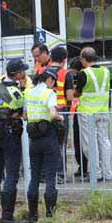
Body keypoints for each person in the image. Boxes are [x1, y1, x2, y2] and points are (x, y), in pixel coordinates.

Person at [0, 59, 27, 223]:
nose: (25, 73)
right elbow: (19, 112)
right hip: (9, 134)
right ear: (16, 74)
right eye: (22, 71)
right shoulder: (15, 92)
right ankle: (7, 216)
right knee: (11, 174)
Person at [23, 65, 63, 223]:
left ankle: (32, 217)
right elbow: (53, 114)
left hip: (34, 139)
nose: (54, 85)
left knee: (34, 177)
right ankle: (50, 216)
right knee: (50, 177)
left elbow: (25, 116)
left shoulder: (28, 92)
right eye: (54, 82)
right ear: (50, 79)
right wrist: (60, 118)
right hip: (48, 138)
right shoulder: (49, 93)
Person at [75, 48, 112, 182]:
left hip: (87, 113)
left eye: (80, 58)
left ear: (84, 59)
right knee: (104, 141)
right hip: (103, 110)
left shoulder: (83, 74)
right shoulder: (106, 71)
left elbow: (77, 93)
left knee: (89, 144)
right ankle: (107, 173)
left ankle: (95, 174)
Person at [48, 46, 70, 183]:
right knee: (60, 142)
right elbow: (69, 96)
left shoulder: (42, 71)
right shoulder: (65, 74)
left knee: (47, 141)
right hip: (61, 110)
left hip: (46, 110)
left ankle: (47, 173)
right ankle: (60, 174)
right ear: (64, 59)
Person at [67, 57, 87, 178]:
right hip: (81, 111)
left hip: (81, 112)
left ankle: (84, 167)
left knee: (80, 141)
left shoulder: (82, 78)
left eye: (74, 71)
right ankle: (84, 166)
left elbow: (76, 93)